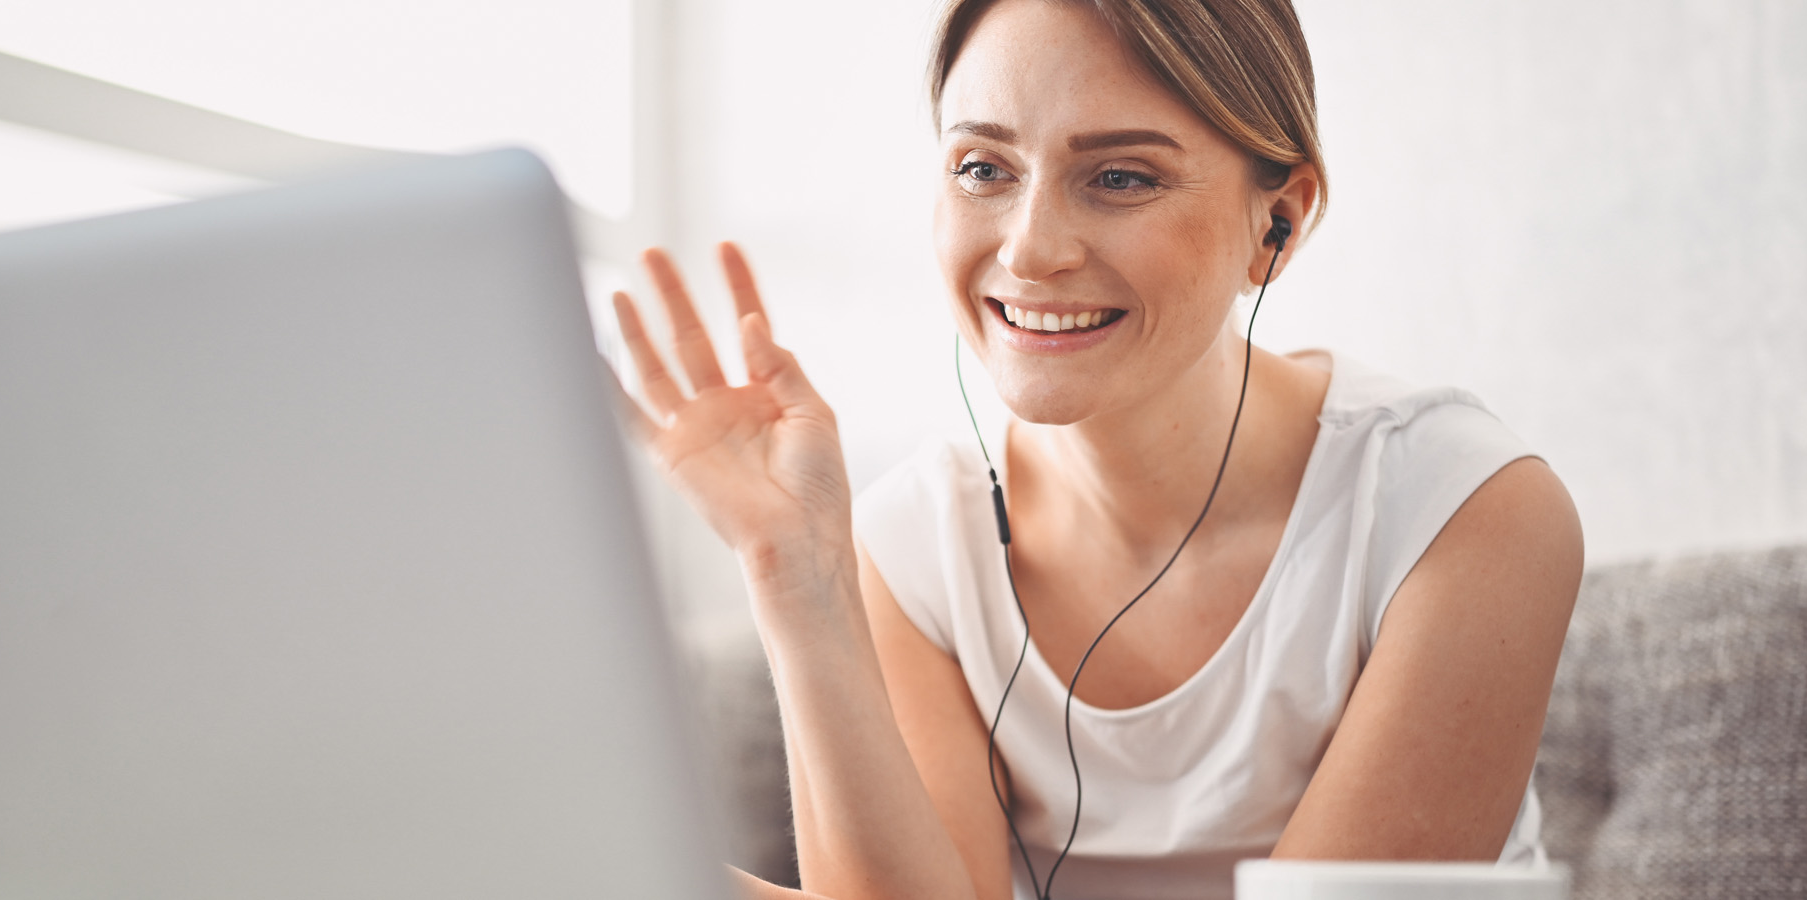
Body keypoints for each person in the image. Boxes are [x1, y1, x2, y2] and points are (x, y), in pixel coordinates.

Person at [608, 0, 1583, 897]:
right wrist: (797, 578)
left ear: (1276, 225)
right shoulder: (913, 548)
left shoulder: (1459, 511)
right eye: (983, 168)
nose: (1031, 249)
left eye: (1121, 176)